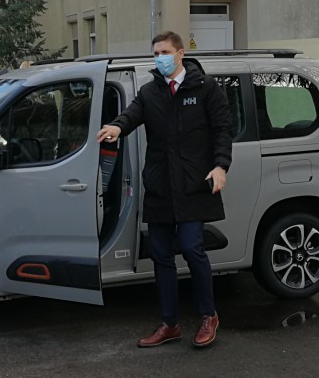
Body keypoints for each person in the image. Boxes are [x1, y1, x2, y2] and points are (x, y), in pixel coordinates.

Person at [95, 31, 233, 348]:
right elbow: (132, 114)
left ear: (180, 53)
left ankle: (208, 316)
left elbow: (223, 130)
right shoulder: (150, 91)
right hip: (160, 185)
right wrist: (117, 126)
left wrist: (221, 166)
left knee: (192, 247)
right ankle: (169, 324)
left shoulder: (205, 88)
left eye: (165, 52)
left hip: (193, 183)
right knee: (160, 255)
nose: (160, 58)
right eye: (156, 53)